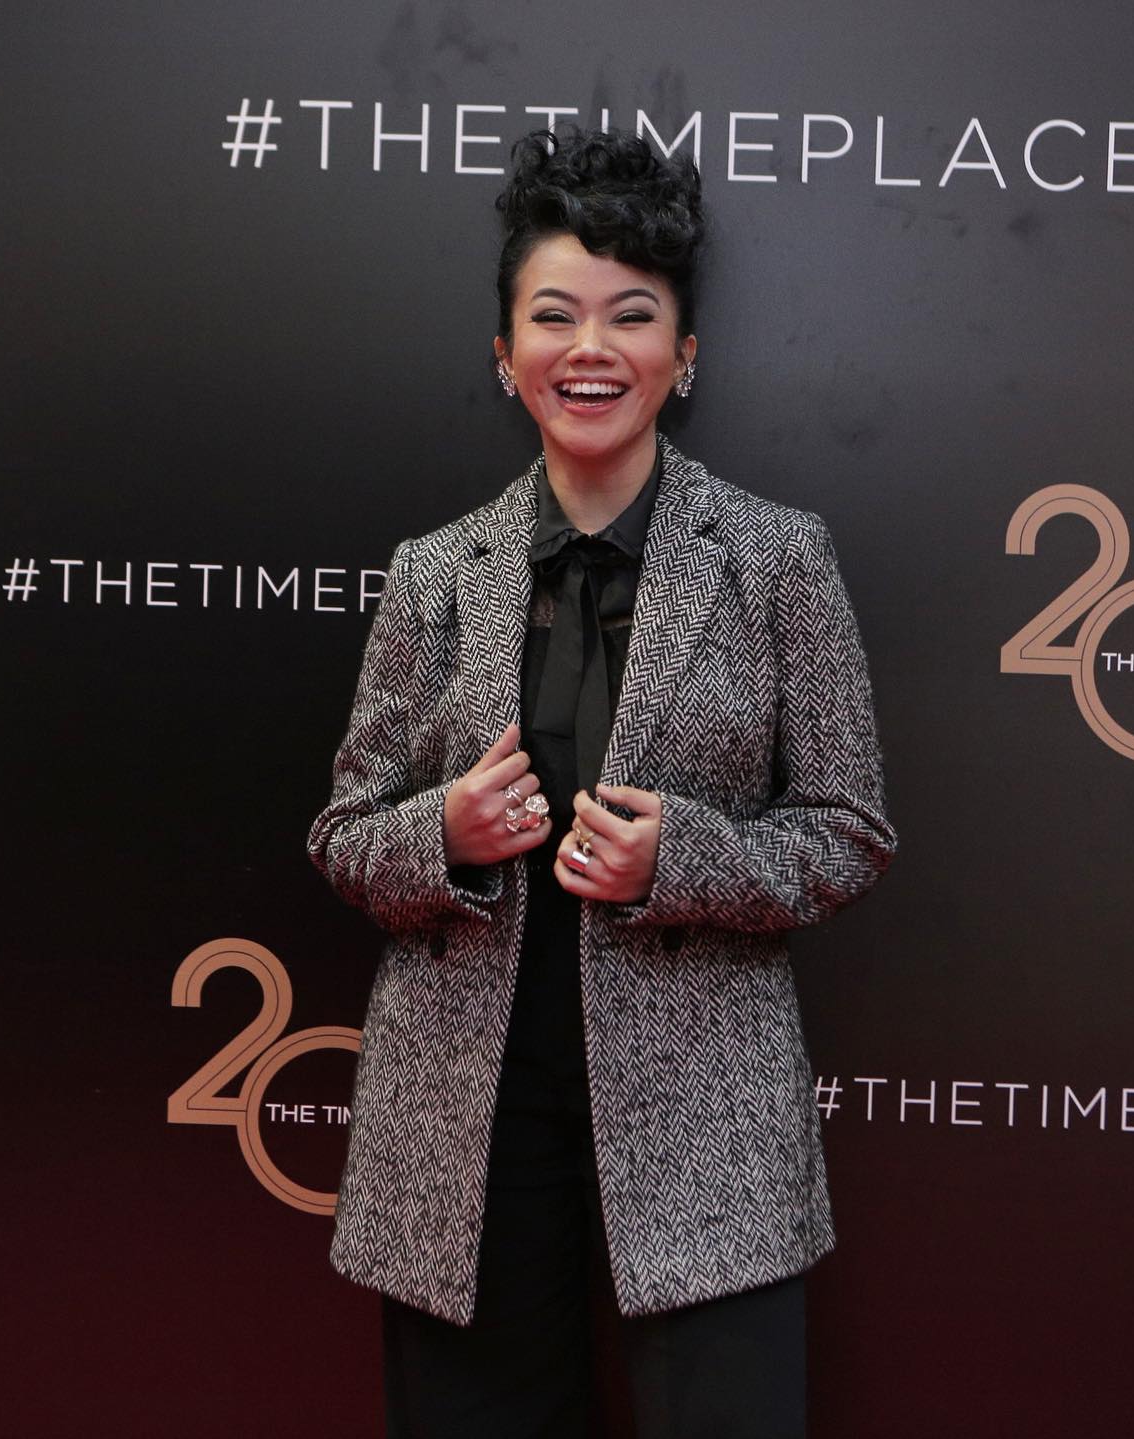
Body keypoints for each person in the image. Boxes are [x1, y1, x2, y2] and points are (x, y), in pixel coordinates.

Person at [308, 127, 896, 1439]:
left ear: (683, 356)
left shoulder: (776, 560)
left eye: (632, 315)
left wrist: (682, 859)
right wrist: (443, 835)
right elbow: (345, 833)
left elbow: (850, 830)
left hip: (705, 1120)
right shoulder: (434, 573)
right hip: (465, 1128)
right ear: (503, 352)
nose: (591, 347)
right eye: (554, 314)